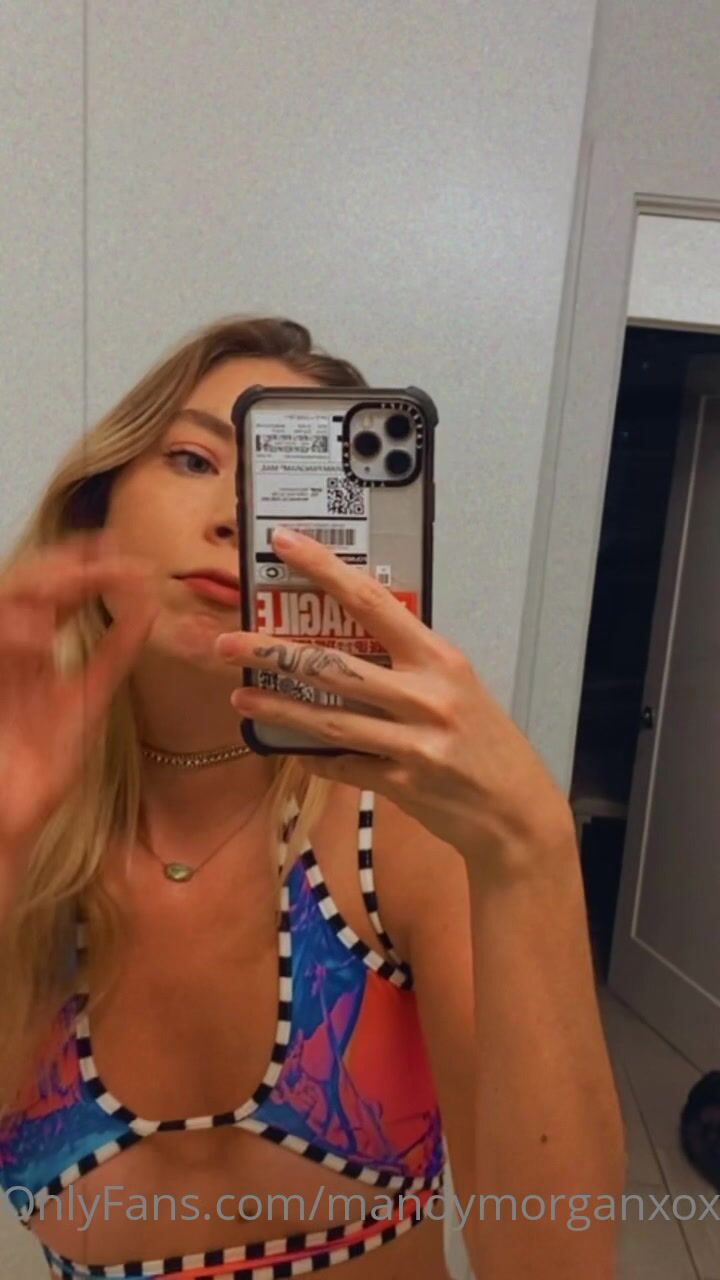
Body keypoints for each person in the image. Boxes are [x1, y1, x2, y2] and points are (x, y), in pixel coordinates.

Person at [0, 316, 625, 1280]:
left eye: (286, 489)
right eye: (194, 459)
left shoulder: (399, 826)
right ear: (97, 505)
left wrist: (530, 848)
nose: (236, 519)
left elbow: (553, 1262)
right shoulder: (24, 820)